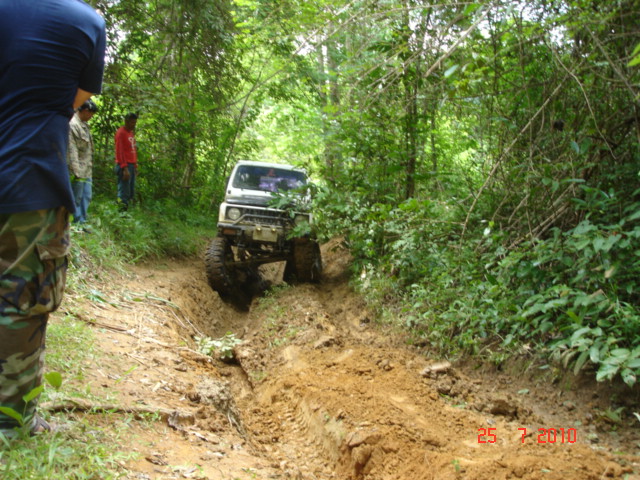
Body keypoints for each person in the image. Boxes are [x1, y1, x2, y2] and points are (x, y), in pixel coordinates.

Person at [0, 0, 106, 437]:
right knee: (21, 300)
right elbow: (71, 100)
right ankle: (11, 422)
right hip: (28, 179)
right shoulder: (85, 22)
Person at [67, 100, 98, 228]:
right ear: (85, 111)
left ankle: (82, 223)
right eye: (91, 113)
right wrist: (76, 171)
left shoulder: (84, 125)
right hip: (77, 170)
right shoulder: (72, 125)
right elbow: (71, 150)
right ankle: (75, 224)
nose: (91, 116)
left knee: (86, 196)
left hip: (87, 169)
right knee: (77, 198)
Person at [115, 113, 139, 210]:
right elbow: (119, 151)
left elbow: (132, 150)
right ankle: (121, 213)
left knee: (130, 192)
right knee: (123, 191)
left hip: (131, 165)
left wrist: (135, 166)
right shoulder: (121, 133)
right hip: (124, 165)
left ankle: (125, 212)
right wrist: (124, 168)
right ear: (126, 121)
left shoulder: (131, 133)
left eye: (135, 123)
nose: (133, 125)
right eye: (132, 122)